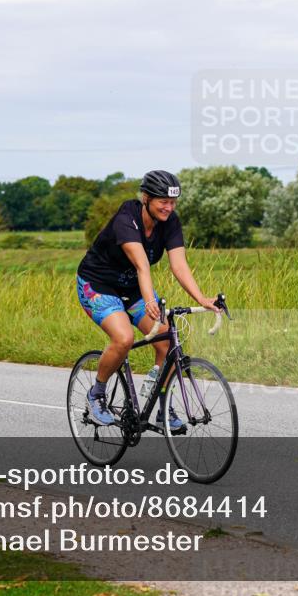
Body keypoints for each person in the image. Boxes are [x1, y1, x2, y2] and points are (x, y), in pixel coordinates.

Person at [76, 170, 219, 430]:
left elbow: (179, 265)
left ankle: (162, 406)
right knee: (123, 339)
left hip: (131, 288)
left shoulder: (170, 222)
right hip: (98, 285)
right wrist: (149, 300)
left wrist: (202, 299)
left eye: (173, 202)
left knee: (167, 342)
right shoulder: (126, 219)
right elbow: (142, 265)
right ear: (146, 198)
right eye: (162, 201)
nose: (169, 207)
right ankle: (96, 393)